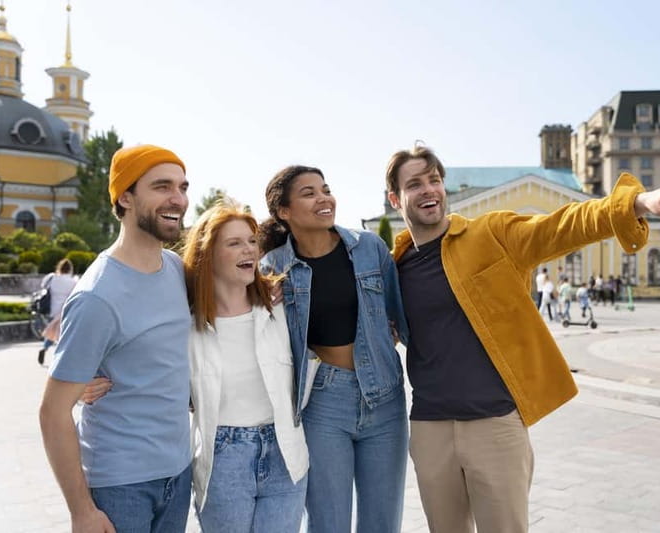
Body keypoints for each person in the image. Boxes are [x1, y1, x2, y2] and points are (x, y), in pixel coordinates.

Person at [384, 144, 660, 533]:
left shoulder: (490, 234)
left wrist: (639, 202)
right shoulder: (393, 267)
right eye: (415, 184)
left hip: (494, 425)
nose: (428, 191)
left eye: (434, 180)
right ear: (395, 198)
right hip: (430, 428)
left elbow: (563, 225)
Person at [39, 144, 193, 532]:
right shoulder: (97, 296)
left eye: (182, 186)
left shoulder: (175, 267)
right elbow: (53, 412)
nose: (178, 199)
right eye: (161, 186)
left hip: (179, 472)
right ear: (125, 196)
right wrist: (81, 511)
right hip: (120, 486)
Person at [258, 166, 409, 533]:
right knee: (328, 523)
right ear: (284, 211)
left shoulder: (369, 248)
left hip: (385, 397)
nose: (324, 198)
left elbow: (402, 318)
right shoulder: (272, 268)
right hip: (322, 403)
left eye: (325, 189)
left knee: (382, 523)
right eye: (309, 193)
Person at [183, 202, 309, 531]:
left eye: (252, 241)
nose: (249, 250)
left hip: (285, 452)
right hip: (223, 459)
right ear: (208, 254)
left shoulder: (282, 307)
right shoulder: (186, 324)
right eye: (234, 242)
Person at [37, 258, 77, 365]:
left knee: (52, 331)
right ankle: (58, 357)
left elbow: (43, 286)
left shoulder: (52, 278)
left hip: (51, 309)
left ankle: (45, 348)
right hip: (64, 311)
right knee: (61, 334)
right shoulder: (72, 281)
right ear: (70, 269)